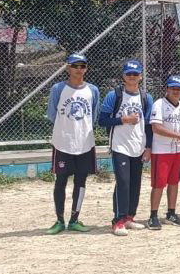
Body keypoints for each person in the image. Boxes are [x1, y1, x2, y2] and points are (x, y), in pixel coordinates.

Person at [46, 53, 100, 234]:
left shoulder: (93, 90)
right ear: (67, 68)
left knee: (81, 180)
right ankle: (59, 220)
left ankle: (75, 219)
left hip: (85, 143)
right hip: (63, 142)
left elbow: (93, 115)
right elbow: (53, 114)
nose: (79, 69)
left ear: (86, 68)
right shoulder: (58, 88)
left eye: (82, 66)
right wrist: (67, 128)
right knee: (61, 180)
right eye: (75, 66)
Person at [98, 60, 154, 236]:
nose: (132, 77)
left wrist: (148, 146)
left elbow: (148, 124)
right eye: (129, 74)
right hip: (120, 145)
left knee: (135, 183)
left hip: (137, 145)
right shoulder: (114, 96)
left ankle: (130, 217)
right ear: (123, 76)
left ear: (141, 76)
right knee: (123, 182)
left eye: (135, 74)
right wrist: (123, 120)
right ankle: (118, 220)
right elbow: (102, 120)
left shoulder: (146, 97)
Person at [148, 75, 180, 229]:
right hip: (162, 150)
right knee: (159, 184)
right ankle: (153, 215)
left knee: (174, 182)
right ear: (167, 89)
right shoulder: (159, 104)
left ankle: (171, 213)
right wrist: (178, 136)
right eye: (173, 88)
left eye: (179, 89)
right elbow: (156, 128)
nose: (176, 91)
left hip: (178, 151)